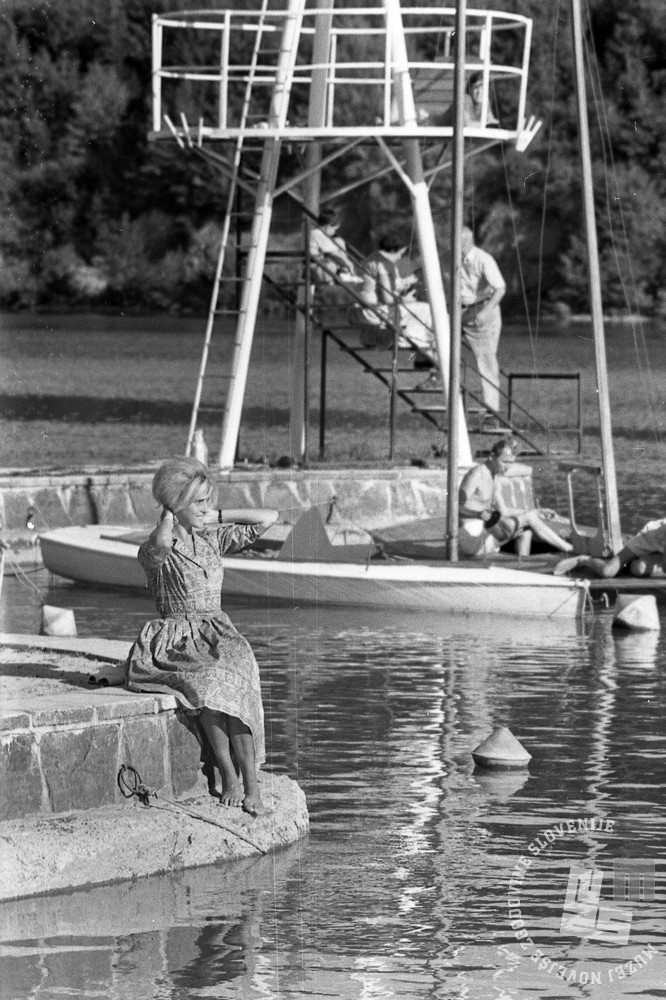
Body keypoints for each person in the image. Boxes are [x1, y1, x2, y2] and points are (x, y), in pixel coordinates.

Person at [125, 457, 279, 816]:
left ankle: (251, 783)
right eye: (199, 501)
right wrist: (169, 516)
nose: (205, 508)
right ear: (175, 504)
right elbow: (162, 542)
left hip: (219, 631)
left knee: (238, 673)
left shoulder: (212, 539)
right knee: (209, 684)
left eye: (208, 500)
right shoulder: (155, 551)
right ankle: (229, 775)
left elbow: (268, 518)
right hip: (177, 637)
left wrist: (215, 515)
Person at [458, 438, 574, 558]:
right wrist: (477, 515)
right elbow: (455, 507)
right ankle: (569, 548)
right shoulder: (476, 474)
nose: (508, 467)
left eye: (511, 463)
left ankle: (522, 566)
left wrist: (537, 512)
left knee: (526, 531)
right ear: (492, 456)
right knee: (528, 518)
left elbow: (505, 511)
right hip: (470, 537)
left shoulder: (494, 477)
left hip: (485, 535)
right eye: (505, 462)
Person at [459, 225, 506, 423]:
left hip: (483, 311)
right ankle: (434, 374)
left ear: (466, 242)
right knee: (433, 332)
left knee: (486, 360)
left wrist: (484, 313)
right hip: (459, 310)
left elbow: (500, 288)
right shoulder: (450, 258)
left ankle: (491, 413)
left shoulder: (483, 259)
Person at [555, 517, 666, 578]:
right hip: (648, 539)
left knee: (638, 568)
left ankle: (628, 563)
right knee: (607, 571)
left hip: (661, 550)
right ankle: (584, 560)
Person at [309, 208, 358, 285]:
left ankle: (344, 273)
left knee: (339, 241)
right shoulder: (318, 234)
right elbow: (335, 255)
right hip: (317, 270)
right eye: (334, 229)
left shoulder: (316, 233)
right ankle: (344, 273)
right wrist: (350, 265)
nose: (334, 232)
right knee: (338, 242)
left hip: (316, 268)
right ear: (329, 225)